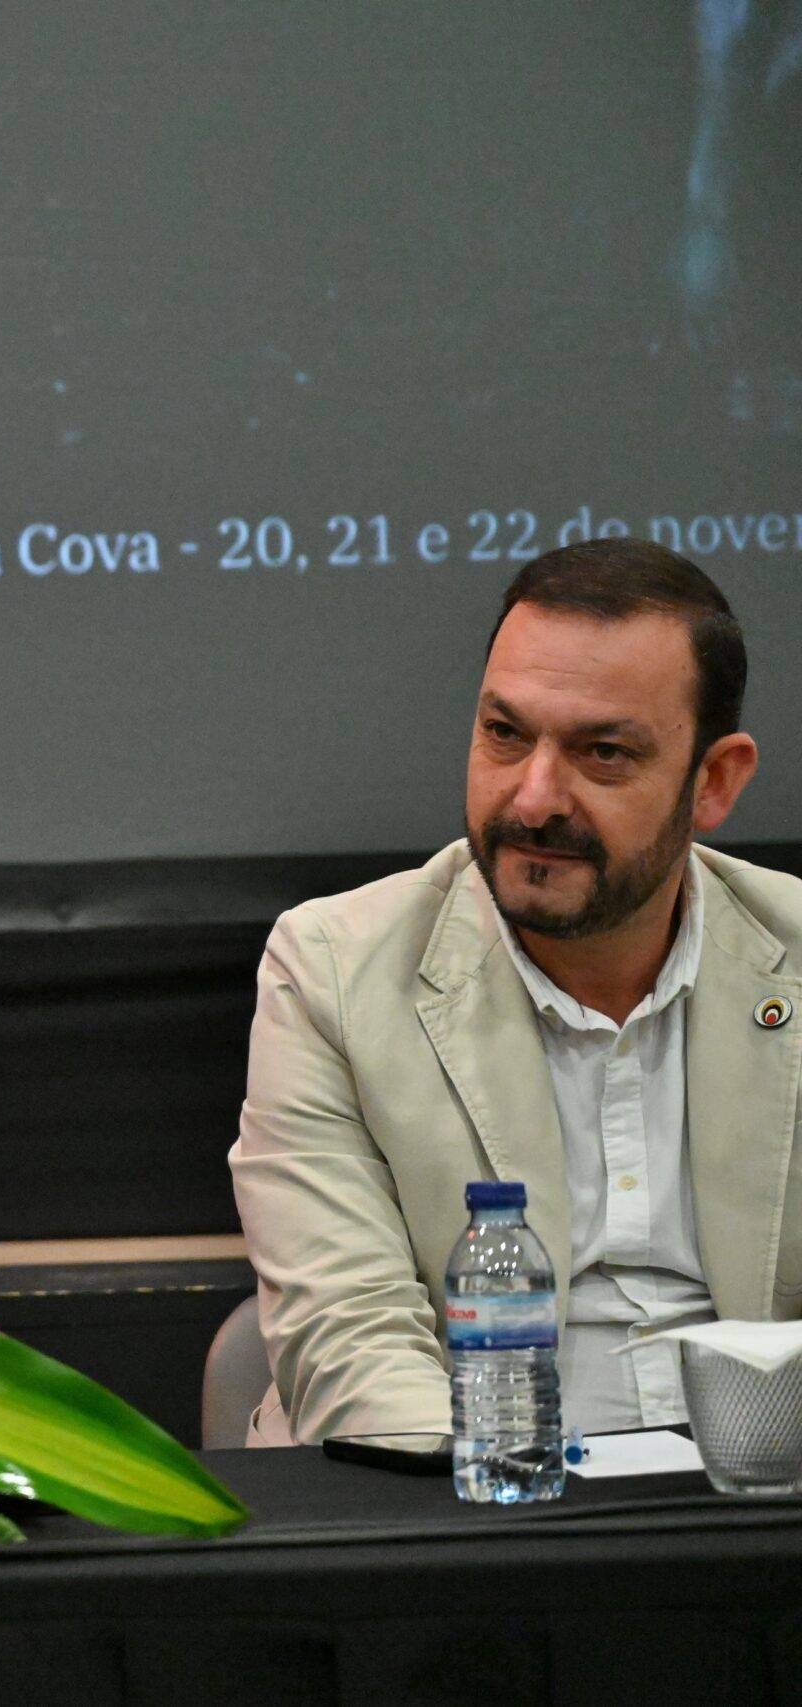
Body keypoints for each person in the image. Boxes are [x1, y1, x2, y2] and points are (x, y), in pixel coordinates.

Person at [230, 538, 801, 1443]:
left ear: (714, 781)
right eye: (505, 734)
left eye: (602, 751)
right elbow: (353, 1347)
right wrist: (529, 1497)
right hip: (465, 1493)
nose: (533, 799)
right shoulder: (332, 970)